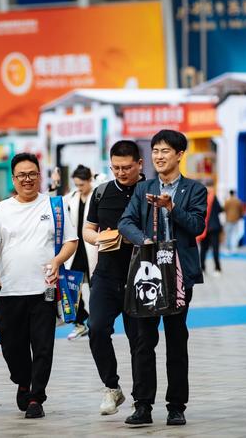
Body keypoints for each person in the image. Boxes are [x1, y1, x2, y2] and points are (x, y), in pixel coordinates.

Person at [119, 130, 207, 427]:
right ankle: (142, 405)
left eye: (165, 150)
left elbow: (196, 226)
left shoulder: (194, 190)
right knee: (143, 340)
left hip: (179, 274)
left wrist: (172, 207)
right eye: (155, 150)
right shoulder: (143, 189)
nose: (158, 156)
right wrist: (143, 240)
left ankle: (176, 405)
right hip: (149, 273)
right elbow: (125, 221)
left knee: (176, 340)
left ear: (180, 154)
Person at [0, 153, 77, 419]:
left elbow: (72, 241)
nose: (27, 179)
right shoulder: (1, 210)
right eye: (22, 175)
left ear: (39, 176)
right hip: (10, 291)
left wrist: (57, 261)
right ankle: (23, 380)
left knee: (43, 344)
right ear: (13, 179)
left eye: (32, 174)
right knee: (10, 343)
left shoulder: (54, 206)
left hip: (44, 290)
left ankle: (36, 397)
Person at [82, 141, 145, 415]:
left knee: (140, 340)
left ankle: (141, 399)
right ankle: (112, 387)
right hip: (106, 275)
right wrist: (101, 239)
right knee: (96, 328)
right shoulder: (101, 193)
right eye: (115, 167)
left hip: (141, 277)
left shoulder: (150, 192)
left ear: (140, 164)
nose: (121, 172)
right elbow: (87, 229)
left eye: (127, 167)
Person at [63, 165, 98, 340]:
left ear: (89, 180)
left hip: (93, 248)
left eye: (82, 184)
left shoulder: (98, 195)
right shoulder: (72, 197)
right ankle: (79, 322)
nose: (79, 188)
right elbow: (55, 202)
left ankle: (95, 323)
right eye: (76, 184)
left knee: (95, 288)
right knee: (71, 287)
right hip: (76, 250)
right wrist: (54, 185)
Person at [198, 187, 223, 276]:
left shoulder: (200, 199)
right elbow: (220, 209)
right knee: (215, 249)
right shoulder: (214, 197)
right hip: (214, 228)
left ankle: (203, 269)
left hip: (204, 228)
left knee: (203, 250)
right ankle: (217, 269)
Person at [223, 190, 244, 254]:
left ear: (229, 194)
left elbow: (224, 210)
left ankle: (227, 249)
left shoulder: (227, 201)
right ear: (234, 194)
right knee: (235, 235)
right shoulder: (238, 201)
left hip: (228, 220)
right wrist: (240, 217)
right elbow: (241, 211)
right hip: (236, 220)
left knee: (228, 235)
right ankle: (234, 249)